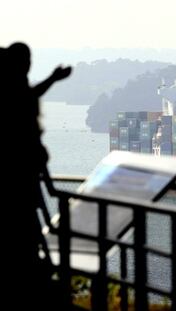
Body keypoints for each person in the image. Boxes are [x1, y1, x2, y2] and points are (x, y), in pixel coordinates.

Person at [1, 42, 71, 309]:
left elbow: (30, 96)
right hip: (22, 178)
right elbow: (27, 102)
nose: (29, 66)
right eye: (27, 61)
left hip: (24, 175)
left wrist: (53, 78)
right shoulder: (14, 91)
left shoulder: (12, 88)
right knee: (26, 227)